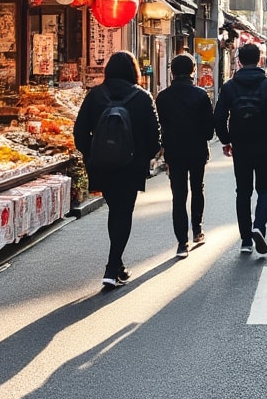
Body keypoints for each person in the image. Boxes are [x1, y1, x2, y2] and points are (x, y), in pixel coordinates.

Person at [74, 51, 161, 289]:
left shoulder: (95, 95)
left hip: (101, 165)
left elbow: (79, 132)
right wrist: (147, 156)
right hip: (130, 166)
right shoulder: (142, 97)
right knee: (123, 212)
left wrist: (91, 155)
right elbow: (154, 135)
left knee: (116, 210)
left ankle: (118, 265)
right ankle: (112, 268)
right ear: (133, 70)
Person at [213, 44, 267, 255]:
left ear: (239, 61)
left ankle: (246, 240)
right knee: (265, 190)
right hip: (265, 144)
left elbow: (218, 117)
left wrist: (226, 140)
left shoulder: (229, 86)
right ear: (260, 60)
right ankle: (259, 226)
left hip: (241, 146)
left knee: (243, 192)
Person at [155, 54, 215, 258]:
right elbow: (209, 131)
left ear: (172, 72)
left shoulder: (163, 97)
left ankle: (182, 243)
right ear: (193, 71)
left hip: (174, 152)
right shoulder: (200, 95)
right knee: (198, 188)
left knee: (178, 196)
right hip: (197, 150)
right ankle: (197, 230)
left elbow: (160, 126)